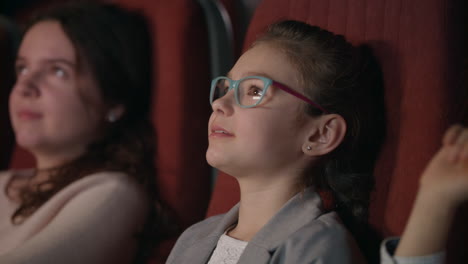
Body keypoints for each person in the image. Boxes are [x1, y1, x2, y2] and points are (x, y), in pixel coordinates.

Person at [166, 20, 468, 263]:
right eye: (226, 87)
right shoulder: (195, 237)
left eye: (254, 90)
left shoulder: (318, 249)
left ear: (320, 135)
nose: (220, 104)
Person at [0, 2, 166, 263]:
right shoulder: (3, 182)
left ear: (112, 101)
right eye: (23, 68)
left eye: (57, 70)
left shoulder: (113, 194)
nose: (24, 87)